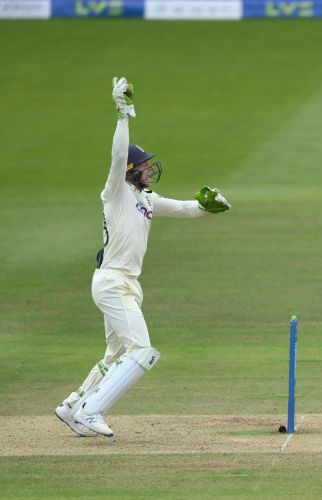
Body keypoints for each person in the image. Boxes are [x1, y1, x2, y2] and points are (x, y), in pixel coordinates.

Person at [54, 77, 231, 437]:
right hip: (113, 281)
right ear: (130, 172)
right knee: (143, 351)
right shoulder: (116, 191)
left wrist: (209, 206)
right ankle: (93, 410)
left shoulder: (146, 199)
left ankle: (73, 404)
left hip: (124, 283)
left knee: (115, 355)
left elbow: (184, 208)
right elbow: (118, 156)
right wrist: (123, 113)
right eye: (145, 166)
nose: (150, 170)